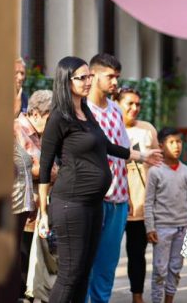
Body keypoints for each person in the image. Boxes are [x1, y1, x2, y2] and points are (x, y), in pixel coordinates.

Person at [37, 56, 161, 303]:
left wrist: (141, 155)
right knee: (70, 275)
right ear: (66, 81)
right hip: (71, 203)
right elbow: (45, 164)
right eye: (82, 77)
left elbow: (107, 145)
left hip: (96, 203)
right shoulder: (59, 117)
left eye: (89, 77)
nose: (87, 82)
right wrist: (43, 212)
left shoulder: (84, 112)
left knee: (85, 273)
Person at [86, 53, 143, 303]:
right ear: (93, 75)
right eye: (109, 76)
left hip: (119, 200)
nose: (114, 82)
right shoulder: (82, 109)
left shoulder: (115, 111)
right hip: (92, 199)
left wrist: (128, 194)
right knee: (85, 263)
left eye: (116, 77)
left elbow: (123, 154)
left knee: (107, 267)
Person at [115, 85, 159, 303]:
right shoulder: (110, 128)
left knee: (137, 254)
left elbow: (157, 166)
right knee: (107, 255)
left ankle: (137, 297)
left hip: (141, 206)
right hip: (115, 201)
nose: (134, 108)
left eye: (137, 104)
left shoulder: (147, 129)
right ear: (117, 103)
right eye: (129, 103)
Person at [145, 127, 187, 303]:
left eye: (179, 142)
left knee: (175, 267)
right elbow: (149, 202)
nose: (176, 146)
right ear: (161, 146)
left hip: (182, 228)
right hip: (162, 228)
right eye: (171, 142)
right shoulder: (155, 171)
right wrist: (150, 226)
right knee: (160, 269)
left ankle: (169, 300)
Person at [14, 89, 54, 298]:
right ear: (36, 114)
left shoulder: (43, 135)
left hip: (38, 216)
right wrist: (48, 171)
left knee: (34, 278)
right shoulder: (17, 130)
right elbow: (21, 169)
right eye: (50, 119)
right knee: (20, 275)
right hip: (21, 213)